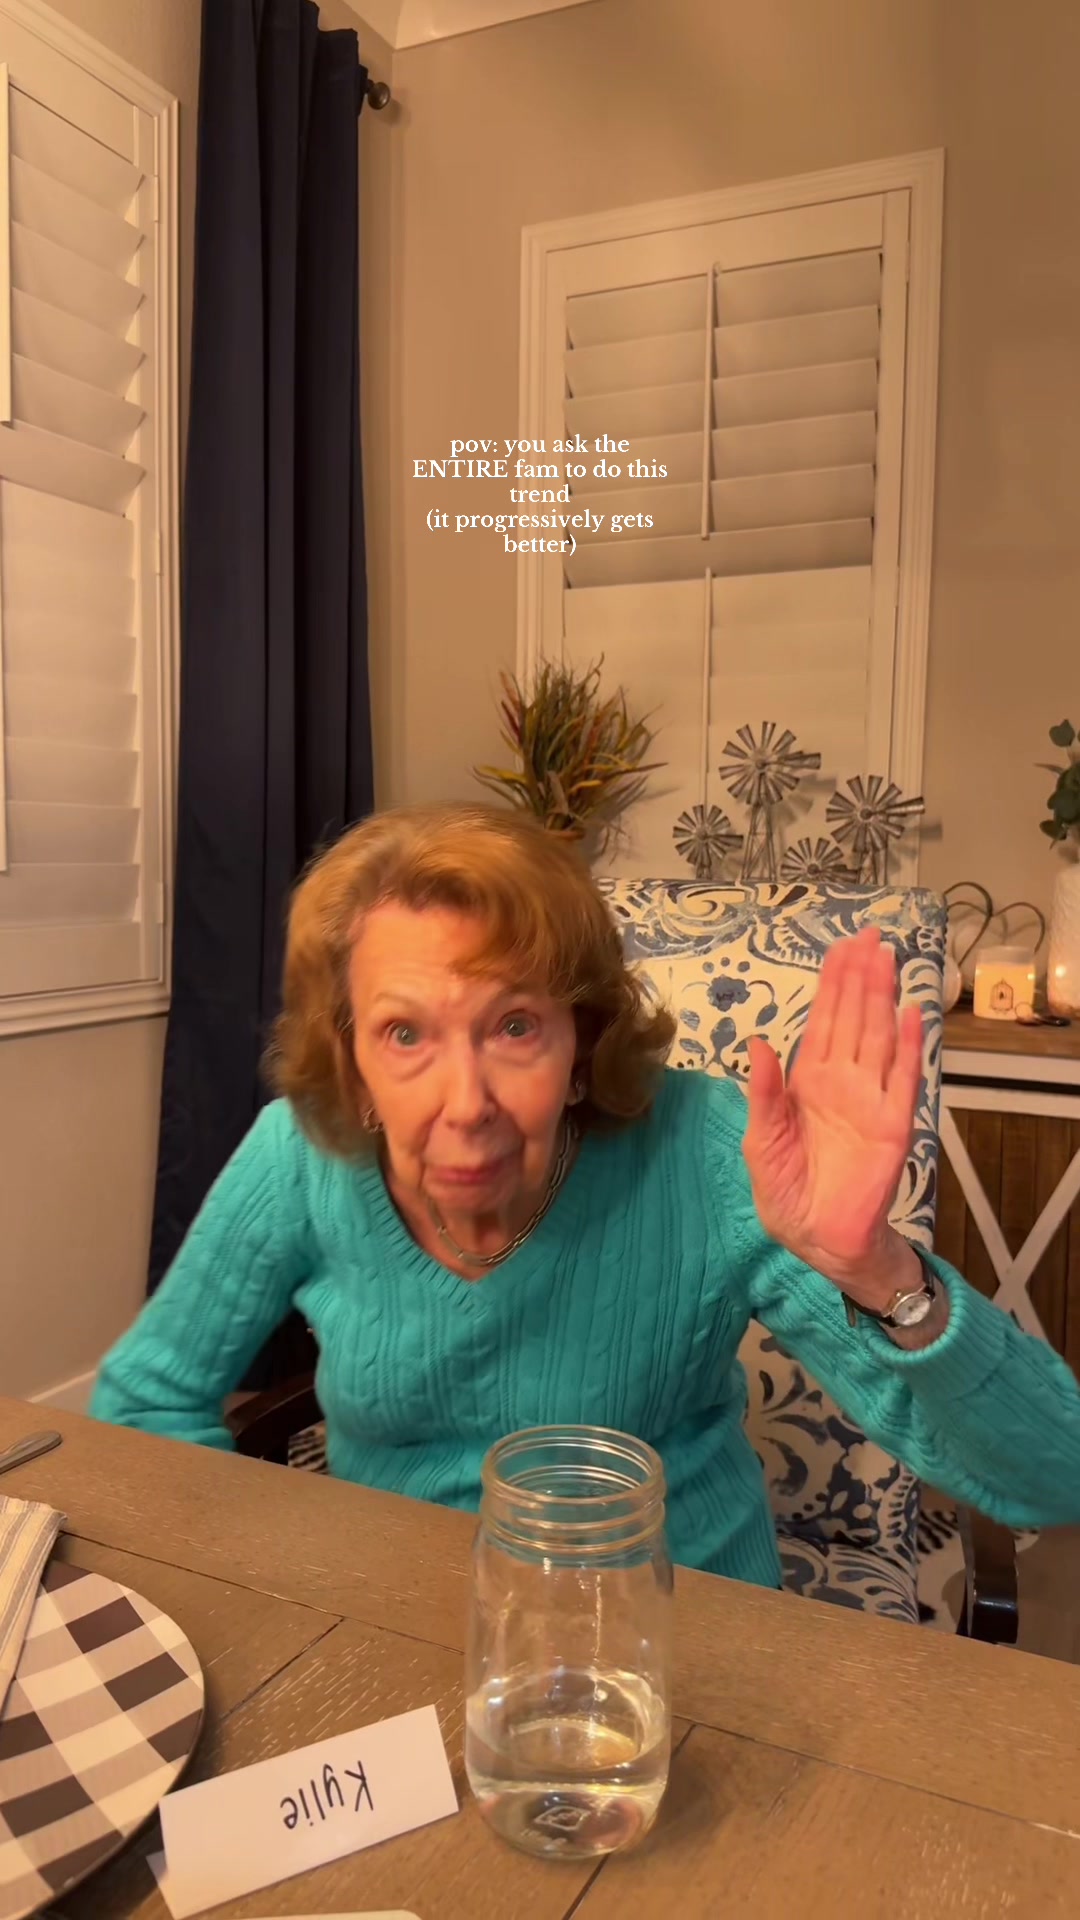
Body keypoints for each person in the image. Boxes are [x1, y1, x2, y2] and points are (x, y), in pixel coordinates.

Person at [91, 805, 1080, 1587]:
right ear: (350, 1064)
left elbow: (1056, 1475)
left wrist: (877, 1268)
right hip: (395, 1629)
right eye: (405, 1034)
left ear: (582, 1044)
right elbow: (145, 1402)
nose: (466, 1104)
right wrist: (264, 1574)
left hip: (679, 1635)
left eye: (515, 1026)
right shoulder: (301, 1154)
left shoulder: (709, 1150)